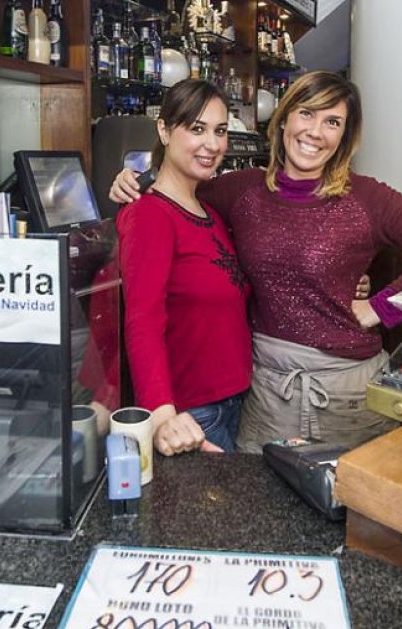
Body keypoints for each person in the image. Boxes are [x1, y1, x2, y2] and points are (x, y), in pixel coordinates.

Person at [112, 71, 402, 453]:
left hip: (347, 394)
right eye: (307, 113)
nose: (316, 131)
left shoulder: (369, 198)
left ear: (345, 136)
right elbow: (178, 183)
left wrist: (381, 306)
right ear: (284, 119)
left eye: (332, 122)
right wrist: (132, 181)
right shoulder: (242, 190)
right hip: (265, 391)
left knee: (347, 506)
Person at [117, 79, 251, 455]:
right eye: (196, 128)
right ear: (163, 129)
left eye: (220, 131)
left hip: (234, 401)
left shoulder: (209, 211)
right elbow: (142, 319)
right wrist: (162, 417)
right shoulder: (149, 215)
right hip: (192, 414)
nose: (212, 144)